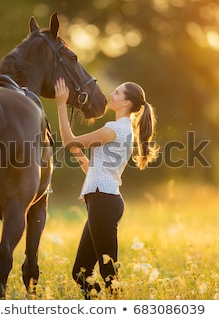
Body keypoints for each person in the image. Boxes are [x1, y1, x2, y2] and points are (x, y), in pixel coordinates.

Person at [54, 78, 159, 299]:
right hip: (103, 200)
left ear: (126, 103)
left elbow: (68, 141)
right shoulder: (124, 130)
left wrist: (61, 105)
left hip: (104, 202)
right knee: (81, 272)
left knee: (108, 272)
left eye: (118, 93)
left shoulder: (113, 129)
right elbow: (94, 169)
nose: (112, 94)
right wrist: (76, 150)